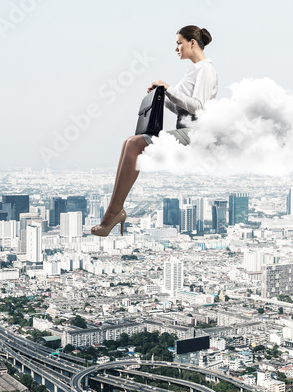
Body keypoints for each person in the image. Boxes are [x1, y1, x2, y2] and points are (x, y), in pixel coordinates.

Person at [90, 25, 218, 237]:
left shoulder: (205, 69)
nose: (176, 48)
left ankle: (113, 213)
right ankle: (115, 211)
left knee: (134, 144)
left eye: (179, 42)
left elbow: (199, 107)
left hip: (196, 134)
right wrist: (161, 96)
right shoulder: (194, 70)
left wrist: (169, 89)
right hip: (185, 129)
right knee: (129, 142)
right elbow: (181, 107)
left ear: (192, 43)